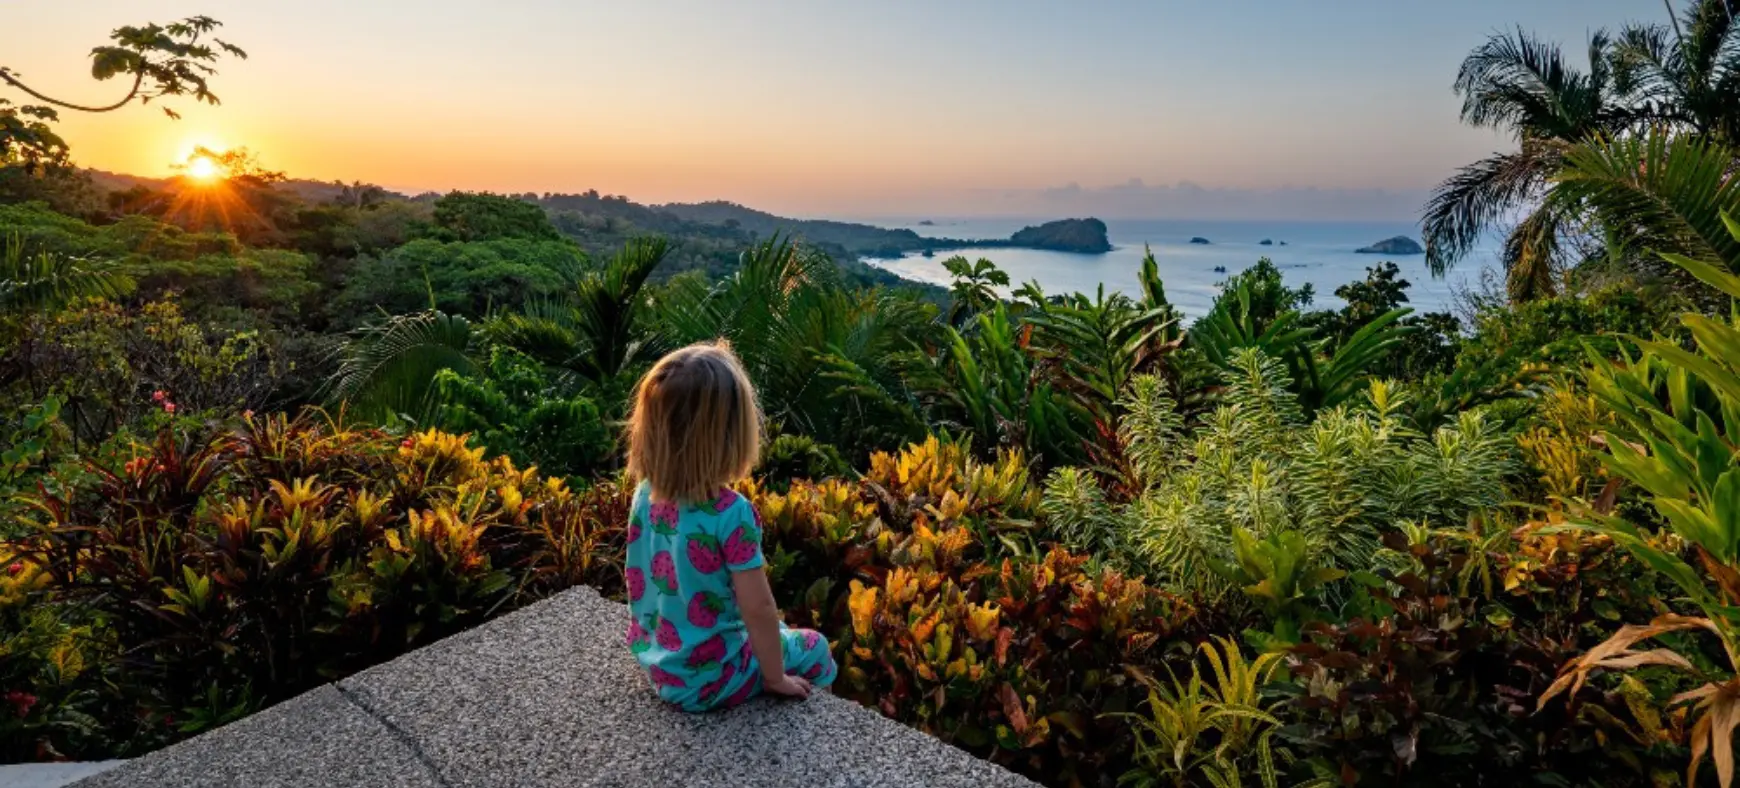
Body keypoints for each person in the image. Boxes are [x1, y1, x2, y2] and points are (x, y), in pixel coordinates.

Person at [622, 341, 836, 710]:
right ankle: (820, 736)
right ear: (732, 437)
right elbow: (758, 609)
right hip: (711, 678)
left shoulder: (645, 494)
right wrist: (774, 678)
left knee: (782, 633)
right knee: (815, 647)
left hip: (662, 663)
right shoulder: (730, 513)